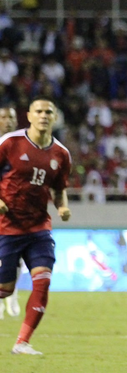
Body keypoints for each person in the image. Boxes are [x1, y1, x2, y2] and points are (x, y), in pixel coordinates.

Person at [0, 98, 71, 355]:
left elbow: (58, 188)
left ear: (55, 118)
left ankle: (22, 342)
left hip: (39, 227)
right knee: (5, 289)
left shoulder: (61, 154)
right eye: (39, 111)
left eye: (48, 112)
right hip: (7, 226)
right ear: (28, 115)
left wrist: (61, 206)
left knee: (42, 281)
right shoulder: (10, 143)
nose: (43, 115)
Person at [0, 106, 21, 320]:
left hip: (18, 208)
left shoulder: (23, 145)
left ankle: (12, 295)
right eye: (3, 117)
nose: (7, 121)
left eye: (11, 118)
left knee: (18, 257)